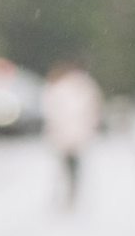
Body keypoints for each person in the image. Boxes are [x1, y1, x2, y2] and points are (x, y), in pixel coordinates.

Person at [39, 60, 103, 208]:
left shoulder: (59, 88)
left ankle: (65, 196)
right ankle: (69, 195)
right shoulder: (84, 87)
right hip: (73, 134)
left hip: (66, 135)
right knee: (71, 167)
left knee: (66, 167)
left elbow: (50, 111)